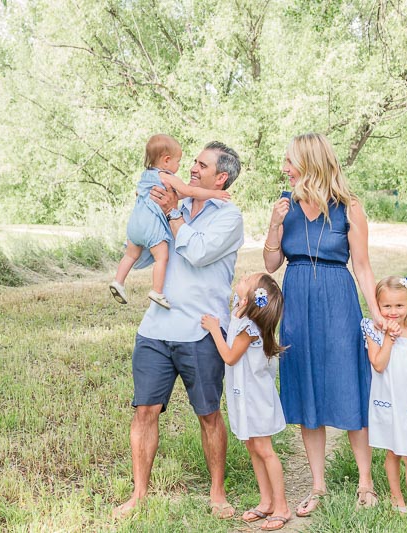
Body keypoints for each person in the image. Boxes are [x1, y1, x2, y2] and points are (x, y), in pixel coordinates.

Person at [113, 141, 244, 520]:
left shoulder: (228, 217)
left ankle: (217, 493)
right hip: (156, 327)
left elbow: (198, 252)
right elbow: (145, 256)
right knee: (144, 410)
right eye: (194, 163)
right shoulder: (173, 202)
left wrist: (172, 215)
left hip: (201, 330)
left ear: (220, 177)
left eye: (201, 166)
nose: (191, 170)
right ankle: (139, 494)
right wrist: (143, 218)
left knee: (208, 413)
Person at [263, 132, 384, 516]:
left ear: (309, 162)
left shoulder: (349, 208)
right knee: (306, 389)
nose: (283, 168)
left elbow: (362, 268)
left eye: (289, 161)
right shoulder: (286, 205)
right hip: (297, 300)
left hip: (338, 300)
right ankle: (318, 486)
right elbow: (271, 265)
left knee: (348, 384)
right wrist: (273, 226)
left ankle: (365, 483)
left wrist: (377, 315)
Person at [201, 272, 291, 531]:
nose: (243, 276)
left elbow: (229, 357)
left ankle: (282, 506)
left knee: (264, 449)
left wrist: (214, 329)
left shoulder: (250, 328)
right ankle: (266, 501)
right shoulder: (242, 317)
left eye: (248, 279)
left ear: (251, 297)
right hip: (244, 395)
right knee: (252, 446)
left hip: (256, 399)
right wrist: (240, 305)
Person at [109, 134, 230, 309]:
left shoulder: (146, 175)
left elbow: (176, 194)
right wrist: (214, 194)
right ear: (166, 161)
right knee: (162, 257)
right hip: (151, 226)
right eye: (178, 161)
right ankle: (157, 292)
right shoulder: (166, 176)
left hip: (135, 224)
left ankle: (118, 282)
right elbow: (190, 192)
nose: (182, 166)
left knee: (130, 255)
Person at [361, 276, 407, 516]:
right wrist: (389, 339)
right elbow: (379, 365)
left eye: (399, 306)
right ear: (378, 306)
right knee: (392, 453)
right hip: (388, 404)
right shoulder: (373, 332)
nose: (393, 312)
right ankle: (396, 497)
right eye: (387, 306)